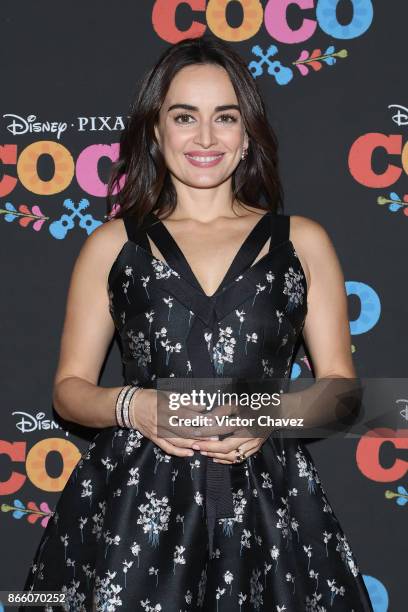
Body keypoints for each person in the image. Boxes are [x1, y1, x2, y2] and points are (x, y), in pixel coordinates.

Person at [22, 36, 374, 611]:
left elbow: (343, 390)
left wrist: (269, 415)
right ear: (156, 133)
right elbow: (69, 392)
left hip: (271, 505)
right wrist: (132, 405)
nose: (206, 138)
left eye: (225, 118)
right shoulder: (113, 245)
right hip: (133, 506)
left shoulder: (303, 242)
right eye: (185, 117)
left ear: (247, 134)